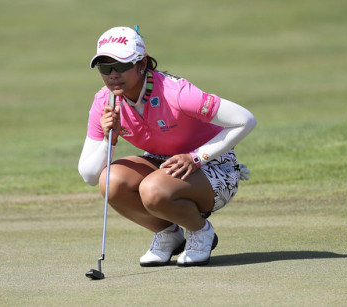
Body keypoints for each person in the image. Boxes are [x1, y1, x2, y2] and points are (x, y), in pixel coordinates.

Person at [78, 26, 256, 267]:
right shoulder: (105, 101)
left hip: (215, 167)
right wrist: (110, 139)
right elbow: (89, 175)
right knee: (111, 180)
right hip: (162, 164)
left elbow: (245, 120)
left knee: (153, 189)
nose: (112, 74)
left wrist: (196, 157)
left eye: (120, 66)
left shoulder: (176, 92)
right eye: (104, 68)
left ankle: (201, 231)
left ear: (141, 64)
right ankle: (168, 235)